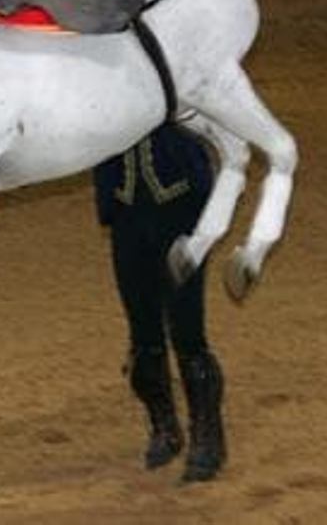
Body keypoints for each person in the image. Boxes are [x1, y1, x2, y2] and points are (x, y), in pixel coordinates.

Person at [93, 122, 226, 482]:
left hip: (180, 208)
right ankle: (163, 426)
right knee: (142, 331)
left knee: (187, 330)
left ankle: (208, 437)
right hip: (126, 212)